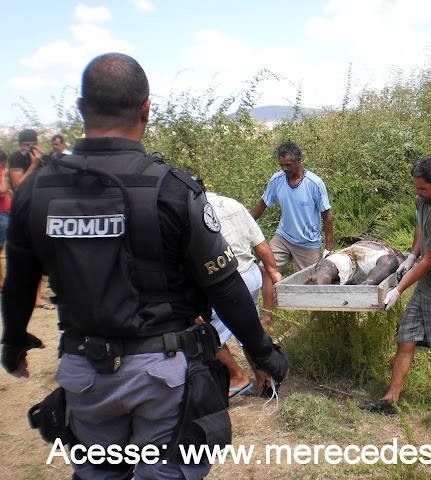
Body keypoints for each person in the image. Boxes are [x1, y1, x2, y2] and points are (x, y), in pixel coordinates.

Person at [1, 52, 288, 479]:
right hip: (162, 374)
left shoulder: (36, 191)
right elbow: (223, 284)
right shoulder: (172, 189)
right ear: (146, 109)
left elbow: (19, 281)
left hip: (84, 371)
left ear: (81, 108)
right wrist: (263, 352)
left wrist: (14, 340)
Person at [360, 157, 431, 415]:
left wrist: (398, 290)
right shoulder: (424, 201)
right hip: (427, 288)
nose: (417, 193)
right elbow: (420, 230)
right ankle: (391, 399)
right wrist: (411, 254)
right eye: (415, 187)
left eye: (422, 188)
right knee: (406, 338)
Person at [205, 190, 283, 398]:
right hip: (250, 275)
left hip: (225, 281)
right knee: (251, 332)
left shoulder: (196, 211)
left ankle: (237, 376)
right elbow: (260, 243)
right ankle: (266, 380)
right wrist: (272, 270)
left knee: (206, 334)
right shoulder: (232, 203)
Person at [251, 141, 334, 325]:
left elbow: (327, 216)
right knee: (264, 269)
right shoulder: (277, 180)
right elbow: (263, 203)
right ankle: (267, 316)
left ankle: (313, 322)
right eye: (281, 165)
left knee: (312, 283)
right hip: (284, 236)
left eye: (288, 165)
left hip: (308, 242)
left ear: (299, 160)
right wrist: (247, 223)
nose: (285, 169)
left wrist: (329, 246)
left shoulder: (314, 183)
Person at [7, 129, 54, 309]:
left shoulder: (39, 157)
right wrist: (33, 165)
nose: (30, 148)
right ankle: (26, 298)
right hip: (22, 211)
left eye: (33, 144)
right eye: (27, 145)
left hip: (38, 209)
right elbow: (19, 186)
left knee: (40, 255)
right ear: (20, 145)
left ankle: (36, 297)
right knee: (24, 256)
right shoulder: (16, 158)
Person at [306, 240, 404, 286]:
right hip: (349, 253)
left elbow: (400, 263)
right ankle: (319, 281)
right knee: (327, 264)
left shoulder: (388, 251)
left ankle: (367, 283)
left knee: (389, 260)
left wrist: (395, 258)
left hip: (371, 256)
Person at [0, 150, 10, 290]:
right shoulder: (2, 171)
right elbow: (2, 191)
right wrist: (6, 176)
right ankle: (1, 282)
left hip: (5, 213)